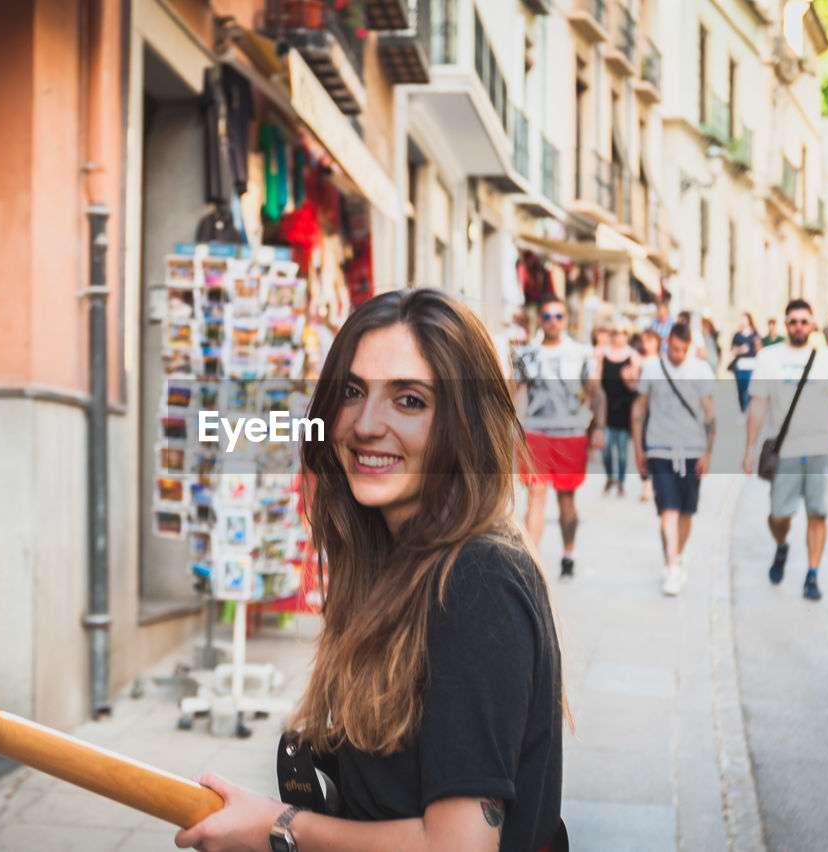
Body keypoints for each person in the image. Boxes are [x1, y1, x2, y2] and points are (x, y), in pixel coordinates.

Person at [175, 289, 569, 852]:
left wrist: (277, 828)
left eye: (409, 400)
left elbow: (460, 846)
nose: (364, 424)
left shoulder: (476, 581)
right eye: (353, 392)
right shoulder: (395, 560)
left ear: (463, 425)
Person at [742, 299, 828, 602]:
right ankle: (782, 546)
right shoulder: (769, 358)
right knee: (778, 515)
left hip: (821, 449)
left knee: (818, 513)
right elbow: (758, 405)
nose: (799, 326)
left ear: (813, 324)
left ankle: (812, 575)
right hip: (785, 450)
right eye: (793, 321)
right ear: (785, 324)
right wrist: (750, 449)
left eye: (804, 321)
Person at [513, 295, 606, 578]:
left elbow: (595, 392)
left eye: (559, 316)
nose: (554, 322)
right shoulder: (526, 354)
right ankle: (532, 563)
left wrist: (599, 426)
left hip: (571, 434)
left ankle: (568, 554)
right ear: (540, 320)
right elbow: (512, 392)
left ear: (567, 320)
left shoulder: (580, 353)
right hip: (536, 432)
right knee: (536, 495)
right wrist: (506, 427)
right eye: (548, 316)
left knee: (566, 499)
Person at [630, 324, 716, 596]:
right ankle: (671, 567)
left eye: (683, 349)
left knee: (686, 512)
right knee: (668, 508)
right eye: (673, 349)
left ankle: (676, 556)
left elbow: (710, 414)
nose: (677, 354)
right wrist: (638, 449)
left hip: (692, 450)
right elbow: (639, 408)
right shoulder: (653, 368)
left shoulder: (701, 370)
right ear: (667, 344)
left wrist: (708, 452)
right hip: (659, 448)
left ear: (689, 346)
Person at [598, 323, 641, 497]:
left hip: (624, 409)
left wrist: (628, 379)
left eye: (623, 332)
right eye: (615, 332)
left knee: (622, 450)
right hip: (606, 409)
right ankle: (610, 477)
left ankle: (621, 482)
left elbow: (636, 387)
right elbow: (596, 382)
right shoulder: (602, 354)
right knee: (606, 448)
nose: (619, 336)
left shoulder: (633, 356)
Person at [635, 329, 661, 503]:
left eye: (650, 341)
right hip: (643, 409)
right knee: (644, 445)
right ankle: (647, 482)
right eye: (644, 341)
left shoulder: (663, 362)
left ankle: (654, 481)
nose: (646, 345)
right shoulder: (637, 360)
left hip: (659, 411)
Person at [730, 312, 761, 413]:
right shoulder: (737, 335)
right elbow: (733, 351)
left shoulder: (755, 334)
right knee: (740, 389)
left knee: (749, 388)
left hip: (751, 364)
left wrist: (757, 345)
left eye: (744, 318)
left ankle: (748, 410)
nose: (741, 320)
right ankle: (742, 409)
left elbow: (759, 350)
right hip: (740, 364)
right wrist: (740, 349)